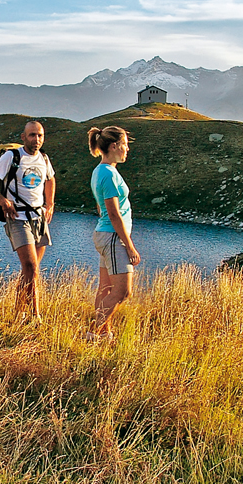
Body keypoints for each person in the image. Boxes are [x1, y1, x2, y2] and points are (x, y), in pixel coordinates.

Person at [0, 120, 56, 321]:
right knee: (31, 267)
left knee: (30, 271)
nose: (36, 139)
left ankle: (18, 313)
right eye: (32, 135)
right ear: (23, 137)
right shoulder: (12, 156)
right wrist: (3, 201)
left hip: (39, 218)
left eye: (40, 135)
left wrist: (50, 204)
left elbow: (50, 179)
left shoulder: (44, 158)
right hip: (18, 218)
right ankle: (35, 316)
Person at [88, 125, 140, 339]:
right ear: (114, 146)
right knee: (123, 291)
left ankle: (103, 334)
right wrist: (129, 246)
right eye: (125, 145)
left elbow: (100, 207)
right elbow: (113, 213)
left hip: (105, 235)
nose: (127, 149)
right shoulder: (108, 174)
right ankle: (92, 333)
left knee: (105, 288)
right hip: (112, 237)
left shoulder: (100, 171)